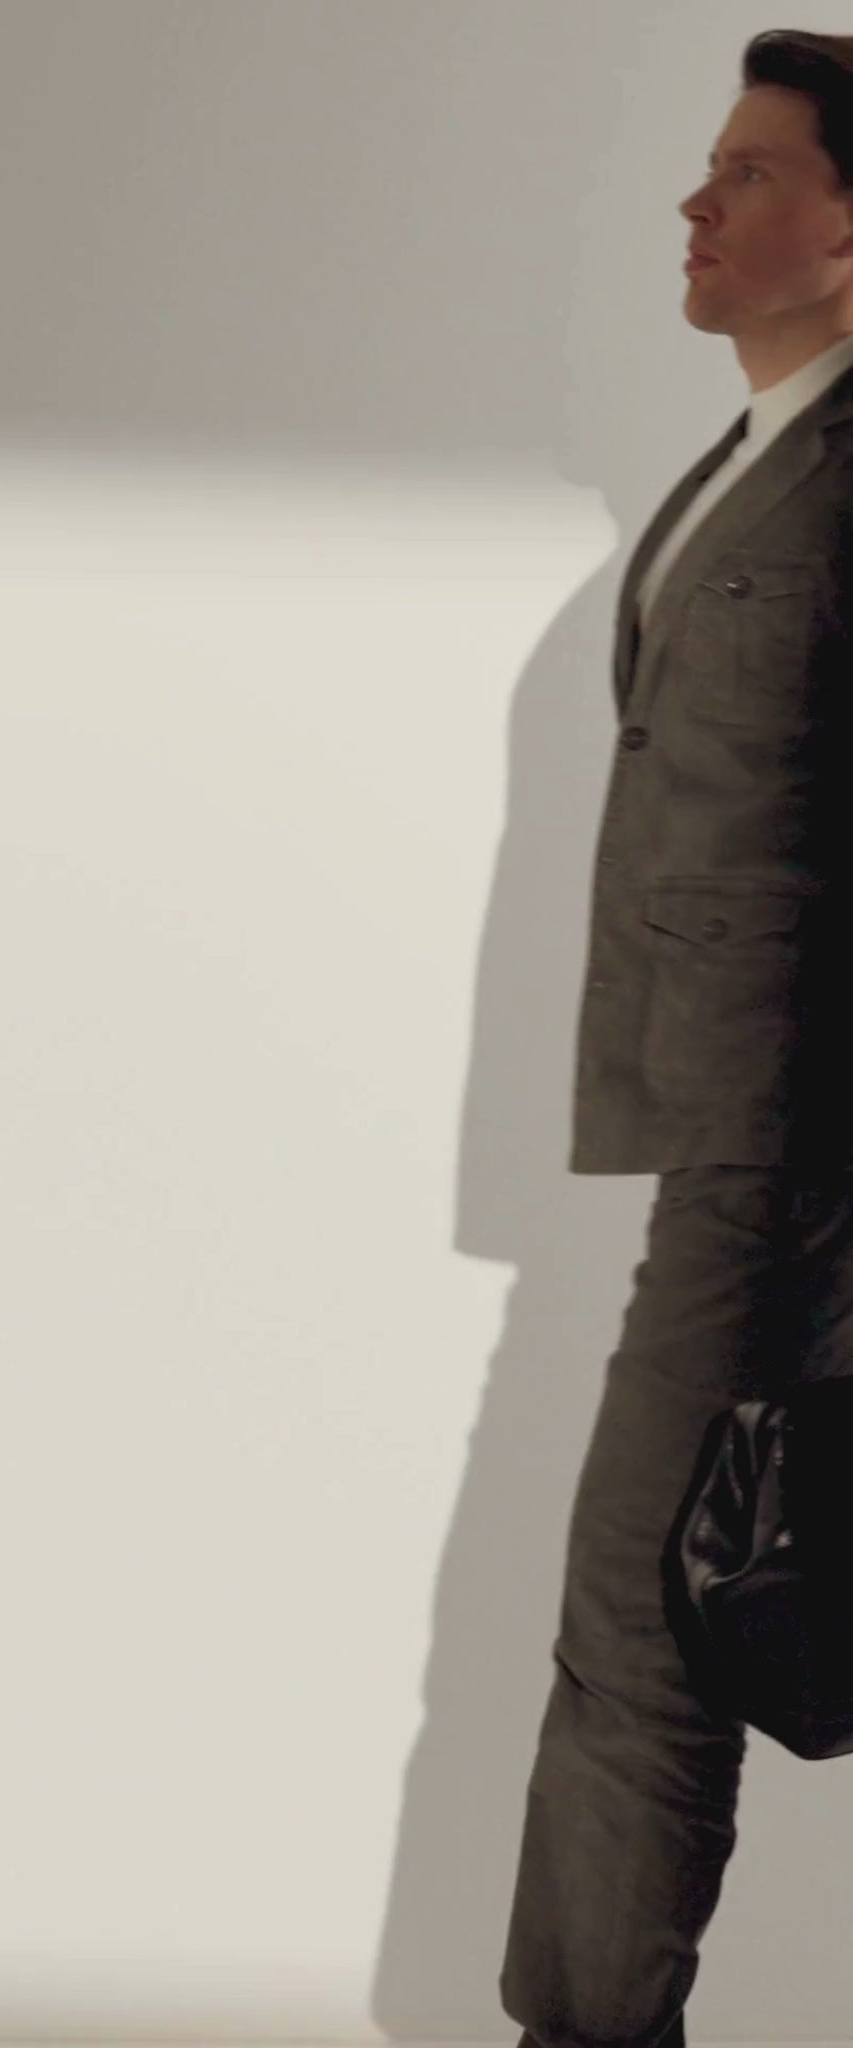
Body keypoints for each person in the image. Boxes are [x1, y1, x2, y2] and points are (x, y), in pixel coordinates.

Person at [500, 28, 853, 2048]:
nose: (696, 205)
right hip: (743, 1132)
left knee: (640, 1622)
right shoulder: (756, 456)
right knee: (692, 1605)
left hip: (783, 1147)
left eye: (750, 172)